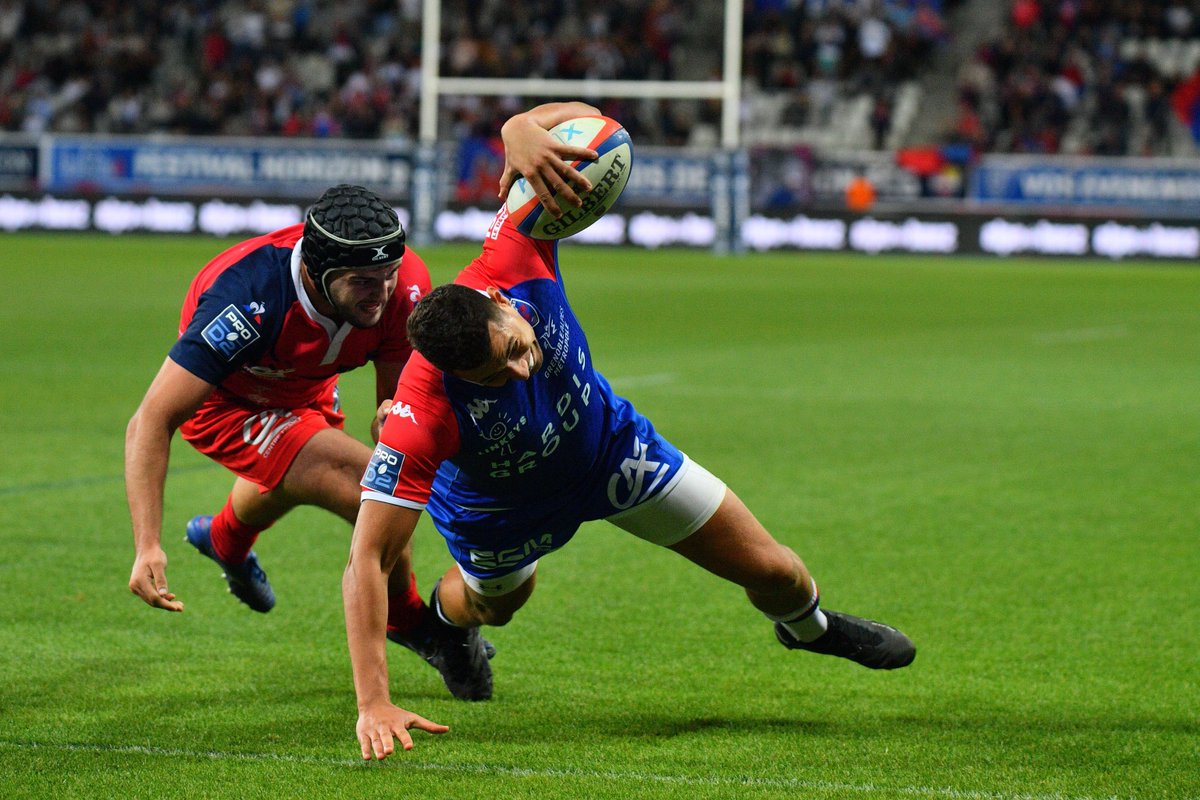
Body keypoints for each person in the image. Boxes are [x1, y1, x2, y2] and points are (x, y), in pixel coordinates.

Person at [342, 101, 917, 760]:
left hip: (611, 454)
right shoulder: (421, 411)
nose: (522, 367)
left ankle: (809, 630)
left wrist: (518, 129)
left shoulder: (516, 253)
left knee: (775, 570)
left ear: (500, 302)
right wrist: (373, 701)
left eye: (516, 347)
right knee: (495, 605)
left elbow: (597, 127)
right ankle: (449, 628)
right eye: (497, 373)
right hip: (499, 510)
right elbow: (367, 559)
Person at [124, 184, 480, 696]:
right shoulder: (246, 298)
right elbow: (151, 420)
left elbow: (393, 416)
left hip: (307, 383)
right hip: (226, 405)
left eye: (388, 274)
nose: (381, 293)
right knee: (368, 487)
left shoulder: (404, 289)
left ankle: (224, 539)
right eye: (363, 281)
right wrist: (147, 545)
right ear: (317, 272)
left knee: (326, 470)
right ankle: (411, 624)